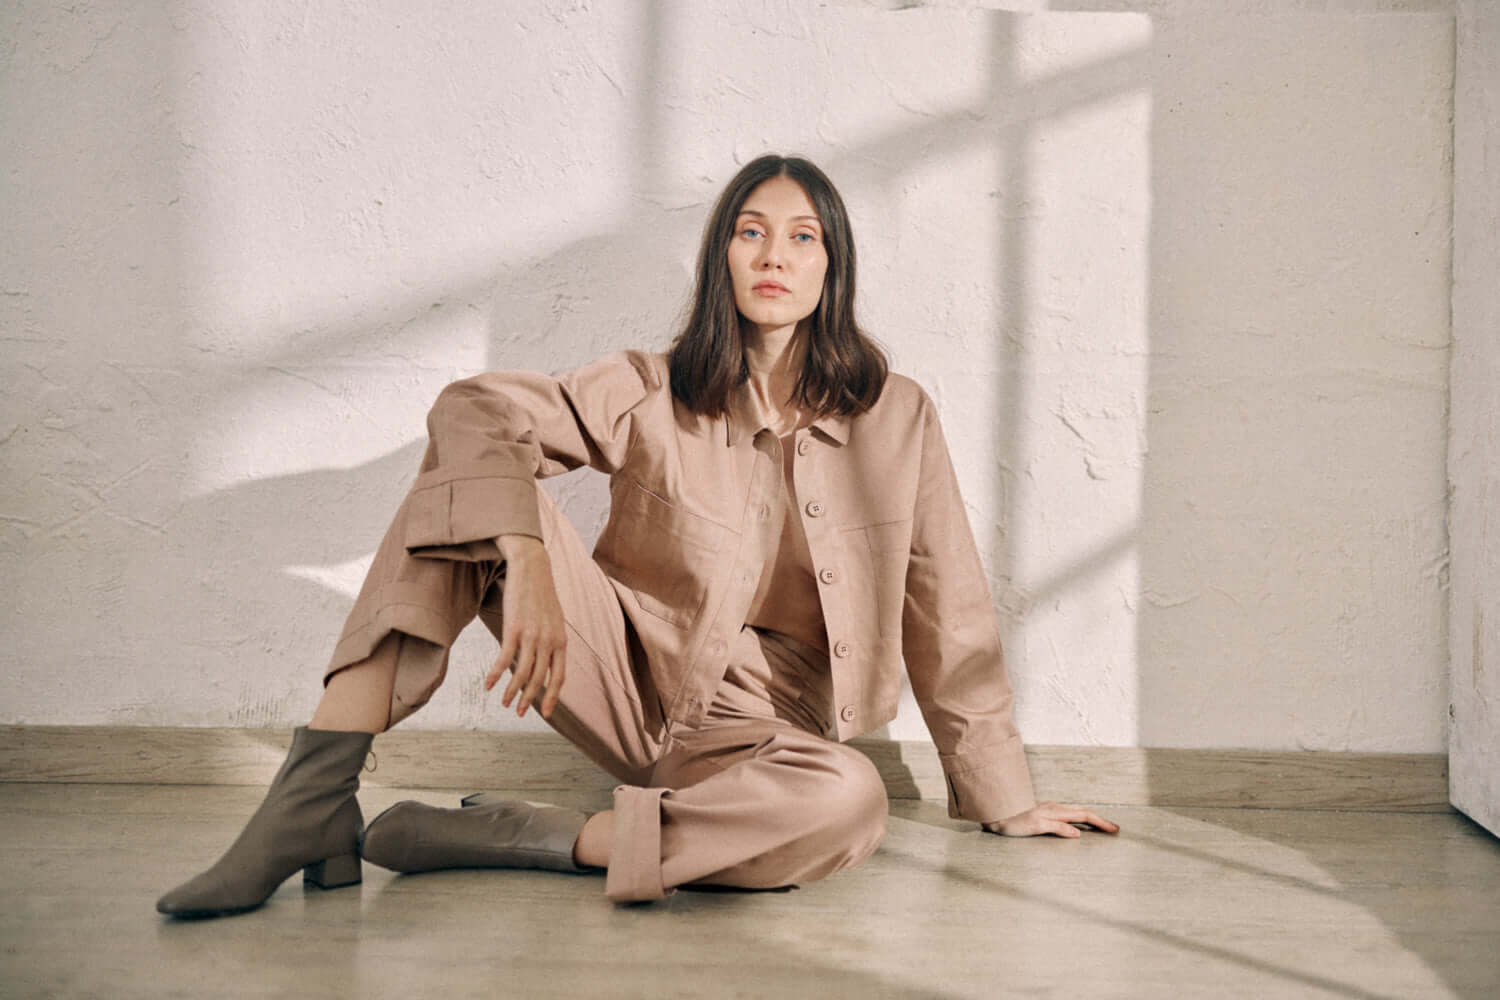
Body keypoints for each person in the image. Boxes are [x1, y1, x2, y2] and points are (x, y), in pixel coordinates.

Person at [156, 154, 1117, 919]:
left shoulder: (896, 417)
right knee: (461, 482)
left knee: (851, 802)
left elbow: (945, 606)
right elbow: (476, 407)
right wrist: (526, 554)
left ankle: (539, 839)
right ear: (723, 259)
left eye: (802, 237)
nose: (774, 255)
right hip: (626, 675)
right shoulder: (656, 388)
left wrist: (1002, 797)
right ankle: (311, 800)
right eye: (750, 233)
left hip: (765, 738)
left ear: (833, 266)